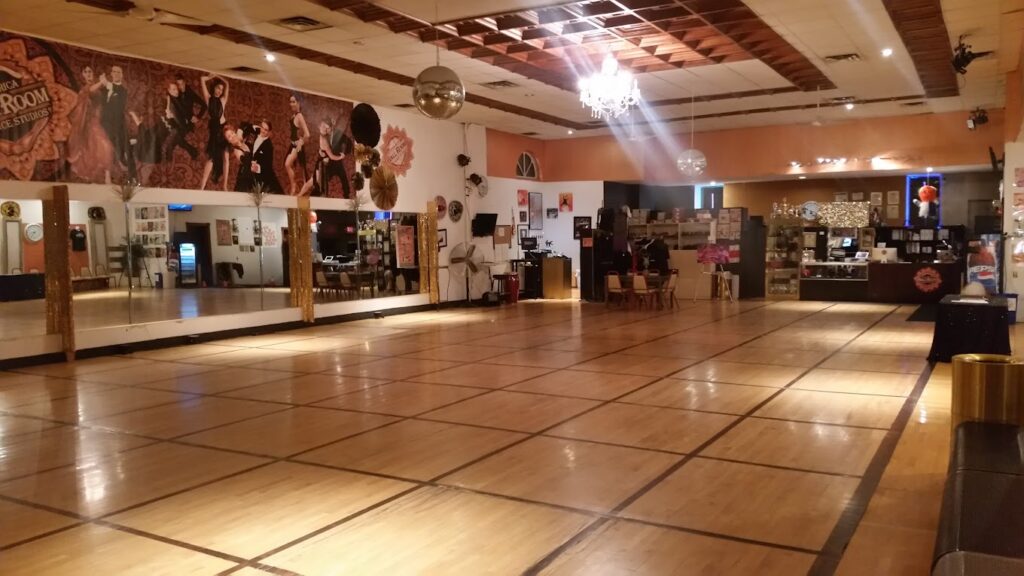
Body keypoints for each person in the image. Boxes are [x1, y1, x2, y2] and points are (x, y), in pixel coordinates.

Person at [67, 65, 114, 183]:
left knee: (103, 146)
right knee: (97, 147)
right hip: (88, 123)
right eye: (85, 72)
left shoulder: (99, 89)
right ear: (82, 75)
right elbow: (89, 91)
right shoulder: (85, 89)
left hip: (98, 121)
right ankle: (103, 178)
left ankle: (106, 177)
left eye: (90, 71)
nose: (88, 74)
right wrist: (101, 82)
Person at [300, 115, 351, 198]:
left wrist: (344, 153)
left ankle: (301, 196)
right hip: (323, 163)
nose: (326, 130)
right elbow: (330, 155)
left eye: (327, 128)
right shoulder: (323, 138)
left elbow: (348, 142)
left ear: (331, 127)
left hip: (329, 162)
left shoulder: (335, 134)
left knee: (313, 182)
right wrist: (340, 157)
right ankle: (306, 197)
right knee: (316, 183)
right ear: (320, 127)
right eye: (324, 127)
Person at [199, 74, 230, 191]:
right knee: (211, 157)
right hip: (214, 129)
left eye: (221, 90)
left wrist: (221, 78)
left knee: (226, 157)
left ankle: (225, 186)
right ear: (214, 88)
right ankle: (202, 186)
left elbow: (227, 83)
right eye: (218, 88)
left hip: (224, 129)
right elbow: (202, 79)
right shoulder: (208, 98)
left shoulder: (223, 100)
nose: (220, 91)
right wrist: (213, 75)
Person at [165, 75, 206, 160]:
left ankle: (191, 151)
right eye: (178, 85)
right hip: (178, 120)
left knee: (175, 135)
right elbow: (170, 99)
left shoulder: (189, 93)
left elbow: (204, 105)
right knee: (175, 134)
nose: (180, 87)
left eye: (182, 84)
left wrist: (197, 117)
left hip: (187, 122)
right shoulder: (176, 94)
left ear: (185, 83)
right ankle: (192, 151)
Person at [99, 65, 129, 171]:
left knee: (117, 141)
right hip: (104, 121)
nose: (116, 74)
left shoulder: (123, 91)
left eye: (119, 72)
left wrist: (107, 83)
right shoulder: (104, 89)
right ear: (111, 73)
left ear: (122, 75)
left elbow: (119, 104)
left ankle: (120, 161)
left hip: (117, 122)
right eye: (114, 72)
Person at [285, 94, 310, 195]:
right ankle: (296, 186)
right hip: (293, 145)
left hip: (297, 145)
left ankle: (294, 186)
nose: (291, 104)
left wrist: (301, 142)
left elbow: (307, 134)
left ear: (299, 103)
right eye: (290, 102)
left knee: (288, 164)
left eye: (293, 102)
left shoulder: (299, 116)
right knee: (292, 166)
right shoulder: (293, 116)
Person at [250, 119, 283, 193]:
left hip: (263, 178)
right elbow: (246, 125)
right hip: (251, 174)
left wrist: (257, 168)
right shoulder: (255, 132)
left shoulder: (269, 146)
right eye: (262, 127)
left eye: (266, 130)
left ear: (269, 132)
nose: (263, 131)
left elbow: (268, 165)